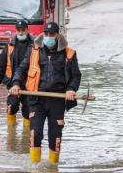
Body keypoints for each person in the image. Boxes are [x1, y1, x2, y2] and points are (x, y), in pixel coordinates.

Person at [9, 22, 81, 164]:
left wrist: (71, 89)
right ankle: (35, 167)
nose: (48, 37)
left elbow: (75, 76)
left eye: (51, 34)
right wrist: (16, 83)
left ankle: (53, 167)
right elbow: (21, 69)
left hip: (57, 101)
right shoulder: (34, 50)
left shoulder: (69, 54)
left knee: (55, 137)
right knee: (35, 134)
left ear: (57, 35)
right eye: (46, 34)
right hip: (37, 100)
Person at [0, 20, 34, 127]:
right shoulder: (10, 46)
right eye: (18, 30)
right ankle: (11, 135)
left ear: (27, 30)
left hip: (30, 83)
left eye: (23, 30)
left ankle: (26, 136)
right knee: (11, 106)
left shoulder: (35, 45)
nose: (20, 33)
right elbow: (1, 65)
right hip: (12, 83)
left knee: (28, 110)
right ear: (15, 31)